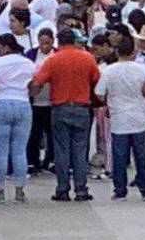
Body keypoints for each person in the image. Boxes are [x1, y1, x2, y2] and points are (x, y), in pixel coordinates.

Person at [31, 28, 99, 202]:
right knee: (79, 149)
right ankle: (81, 189)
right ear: (75, 41)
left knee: (61, 150)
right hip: (81, 107)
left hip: (60, 107)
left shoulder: (53, 60)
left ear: (58, 42)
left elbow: (37, 83)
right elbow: (96, 80)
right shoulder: (87, 58)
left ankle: (62, 189)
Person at [0, 34, 36, 203]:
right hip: (22, 103)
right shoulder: (28, 63)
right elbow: (34, 84)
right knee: (19, 150)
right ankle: (19, 190)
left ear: (6, 47)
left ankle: (0, 190)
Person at [93, 35, 145, 201]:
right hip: (139, 115)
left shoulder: (108, 71)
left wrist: (109, 100)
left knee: (119, 155)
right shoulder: (142, 69)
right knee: (142, 155)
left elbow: (99, 93)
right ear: (133, 52)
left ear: (117, 51)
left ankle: (120, 191)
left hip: (118, 116)